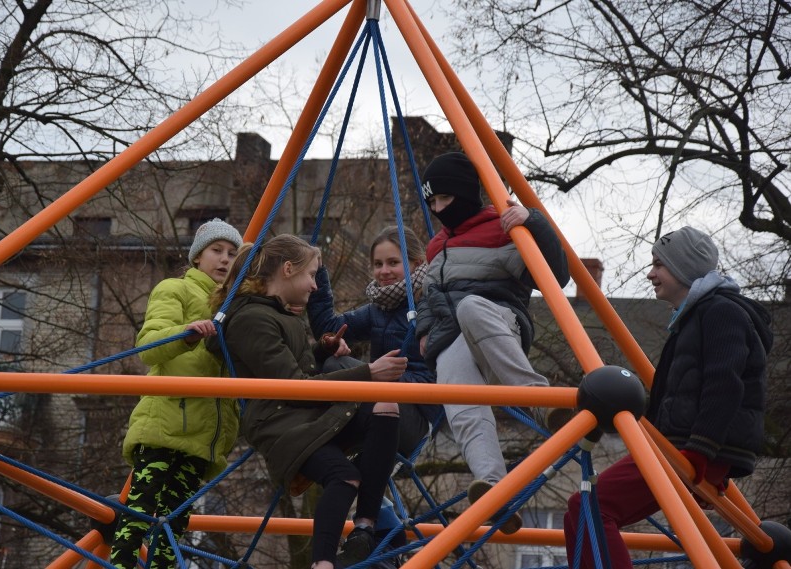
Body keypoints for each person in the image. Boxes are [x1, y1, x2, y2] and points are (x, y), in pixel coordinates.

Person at [563, 226, 773, 568]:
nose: (650, 273)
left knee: (589, 507)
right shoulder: (694, 317)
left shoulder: (721, 311)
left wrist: (701, 452)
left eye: (659, 264)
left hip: (689, 449)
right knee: (586, 508)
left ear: (684, 268)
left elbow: (726, 384)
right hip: (686, 448)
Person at [209, 234, 408, 569]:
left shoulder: (281, 315)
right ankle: (323, 563)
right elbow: (293, 386)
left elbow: (290, 369)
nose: (315, 286)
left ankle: (364, 527)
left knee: (385, 407)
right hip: (281, 424)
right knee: (344, 476)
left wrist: (322, 350)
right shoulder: (251, 319)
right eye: (311, 275)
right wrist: (369, 372)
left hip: (303, 415)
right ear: (288, 270)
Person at [414, 152, 571, 533]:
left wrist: (533, 221)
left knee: (470, 306)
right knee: (454, 391)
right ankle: (494, 486)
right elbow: (429, 296)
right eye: (431, 202)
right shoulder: (436, 246)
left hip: (500, 322)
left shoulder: (503, 227)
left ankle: (536, 399)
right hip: (453, 333)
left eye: (444, 200)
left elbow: (557, 275)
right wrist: (423, 332)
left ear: (466, 194)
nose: (438, 209)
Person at [110, 218, 243, 569]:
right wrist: (184, 333)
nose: (225, 259)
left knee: (175, 523)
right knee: (139, 512)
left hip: (203, 433)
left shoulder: (231, 304)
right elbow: (148, 345)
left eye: (232, 253)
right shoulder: (176, 289)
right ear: (198, 257)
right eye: (217, 250)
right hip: (166, 424)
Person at [307, 226, 440, 458]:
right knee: (326, 362)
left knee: (335, 368)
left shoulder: (430, 304)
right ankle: (325, 444)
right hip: (381, 405)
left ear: (417, 264)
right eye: (378, 264)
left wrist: (392, 376)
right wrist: (316, 273)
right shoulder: (378, 309)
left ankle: (325, 440)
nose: (384, 271)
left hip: (416, 417)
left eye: (393, 263)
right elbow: (329, 328)